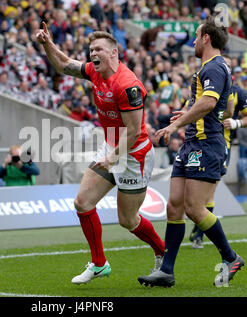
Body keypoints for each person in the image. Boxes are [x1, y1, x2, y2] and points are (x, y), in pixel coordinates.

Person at [36, 23, 165, 285]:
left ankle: (163, 254)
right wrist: (47, 44)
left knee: (127, 220)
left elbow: (132, 132)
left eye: (99, 49)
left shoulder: (127, 85)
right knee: (82, 203)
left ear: (114, 53)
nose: (93, 53)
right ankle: (98, 264)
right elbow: (63, 65)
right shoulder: (95, 73)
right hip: (111, 148)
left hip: (133, 156)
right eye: (91, 49)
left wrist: (113, 157)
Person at [138, 17, 244, 288]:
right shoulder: (211, 69)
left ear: (206, 38)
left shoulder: (215, 67)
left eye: (196, 36)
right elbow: (225, 108)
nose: (194, 41)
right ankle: (167, 271)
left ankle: (230, 257)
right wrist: (187, 116)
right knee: (174, 205)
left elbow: (209, 103)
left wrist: (179, 122)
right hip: (192, 144)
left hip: (206, 144)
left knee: (195, 209)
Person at [189, 55, 247, 249]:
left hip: (220, 146)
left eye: (228, 66)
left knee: (209, 194)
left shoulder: (238, 93)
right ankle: (196, 231)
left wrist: (236, 122)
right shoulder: (203, 89)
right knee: (191, 196)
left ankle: (199, 235)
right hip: (196, 143)